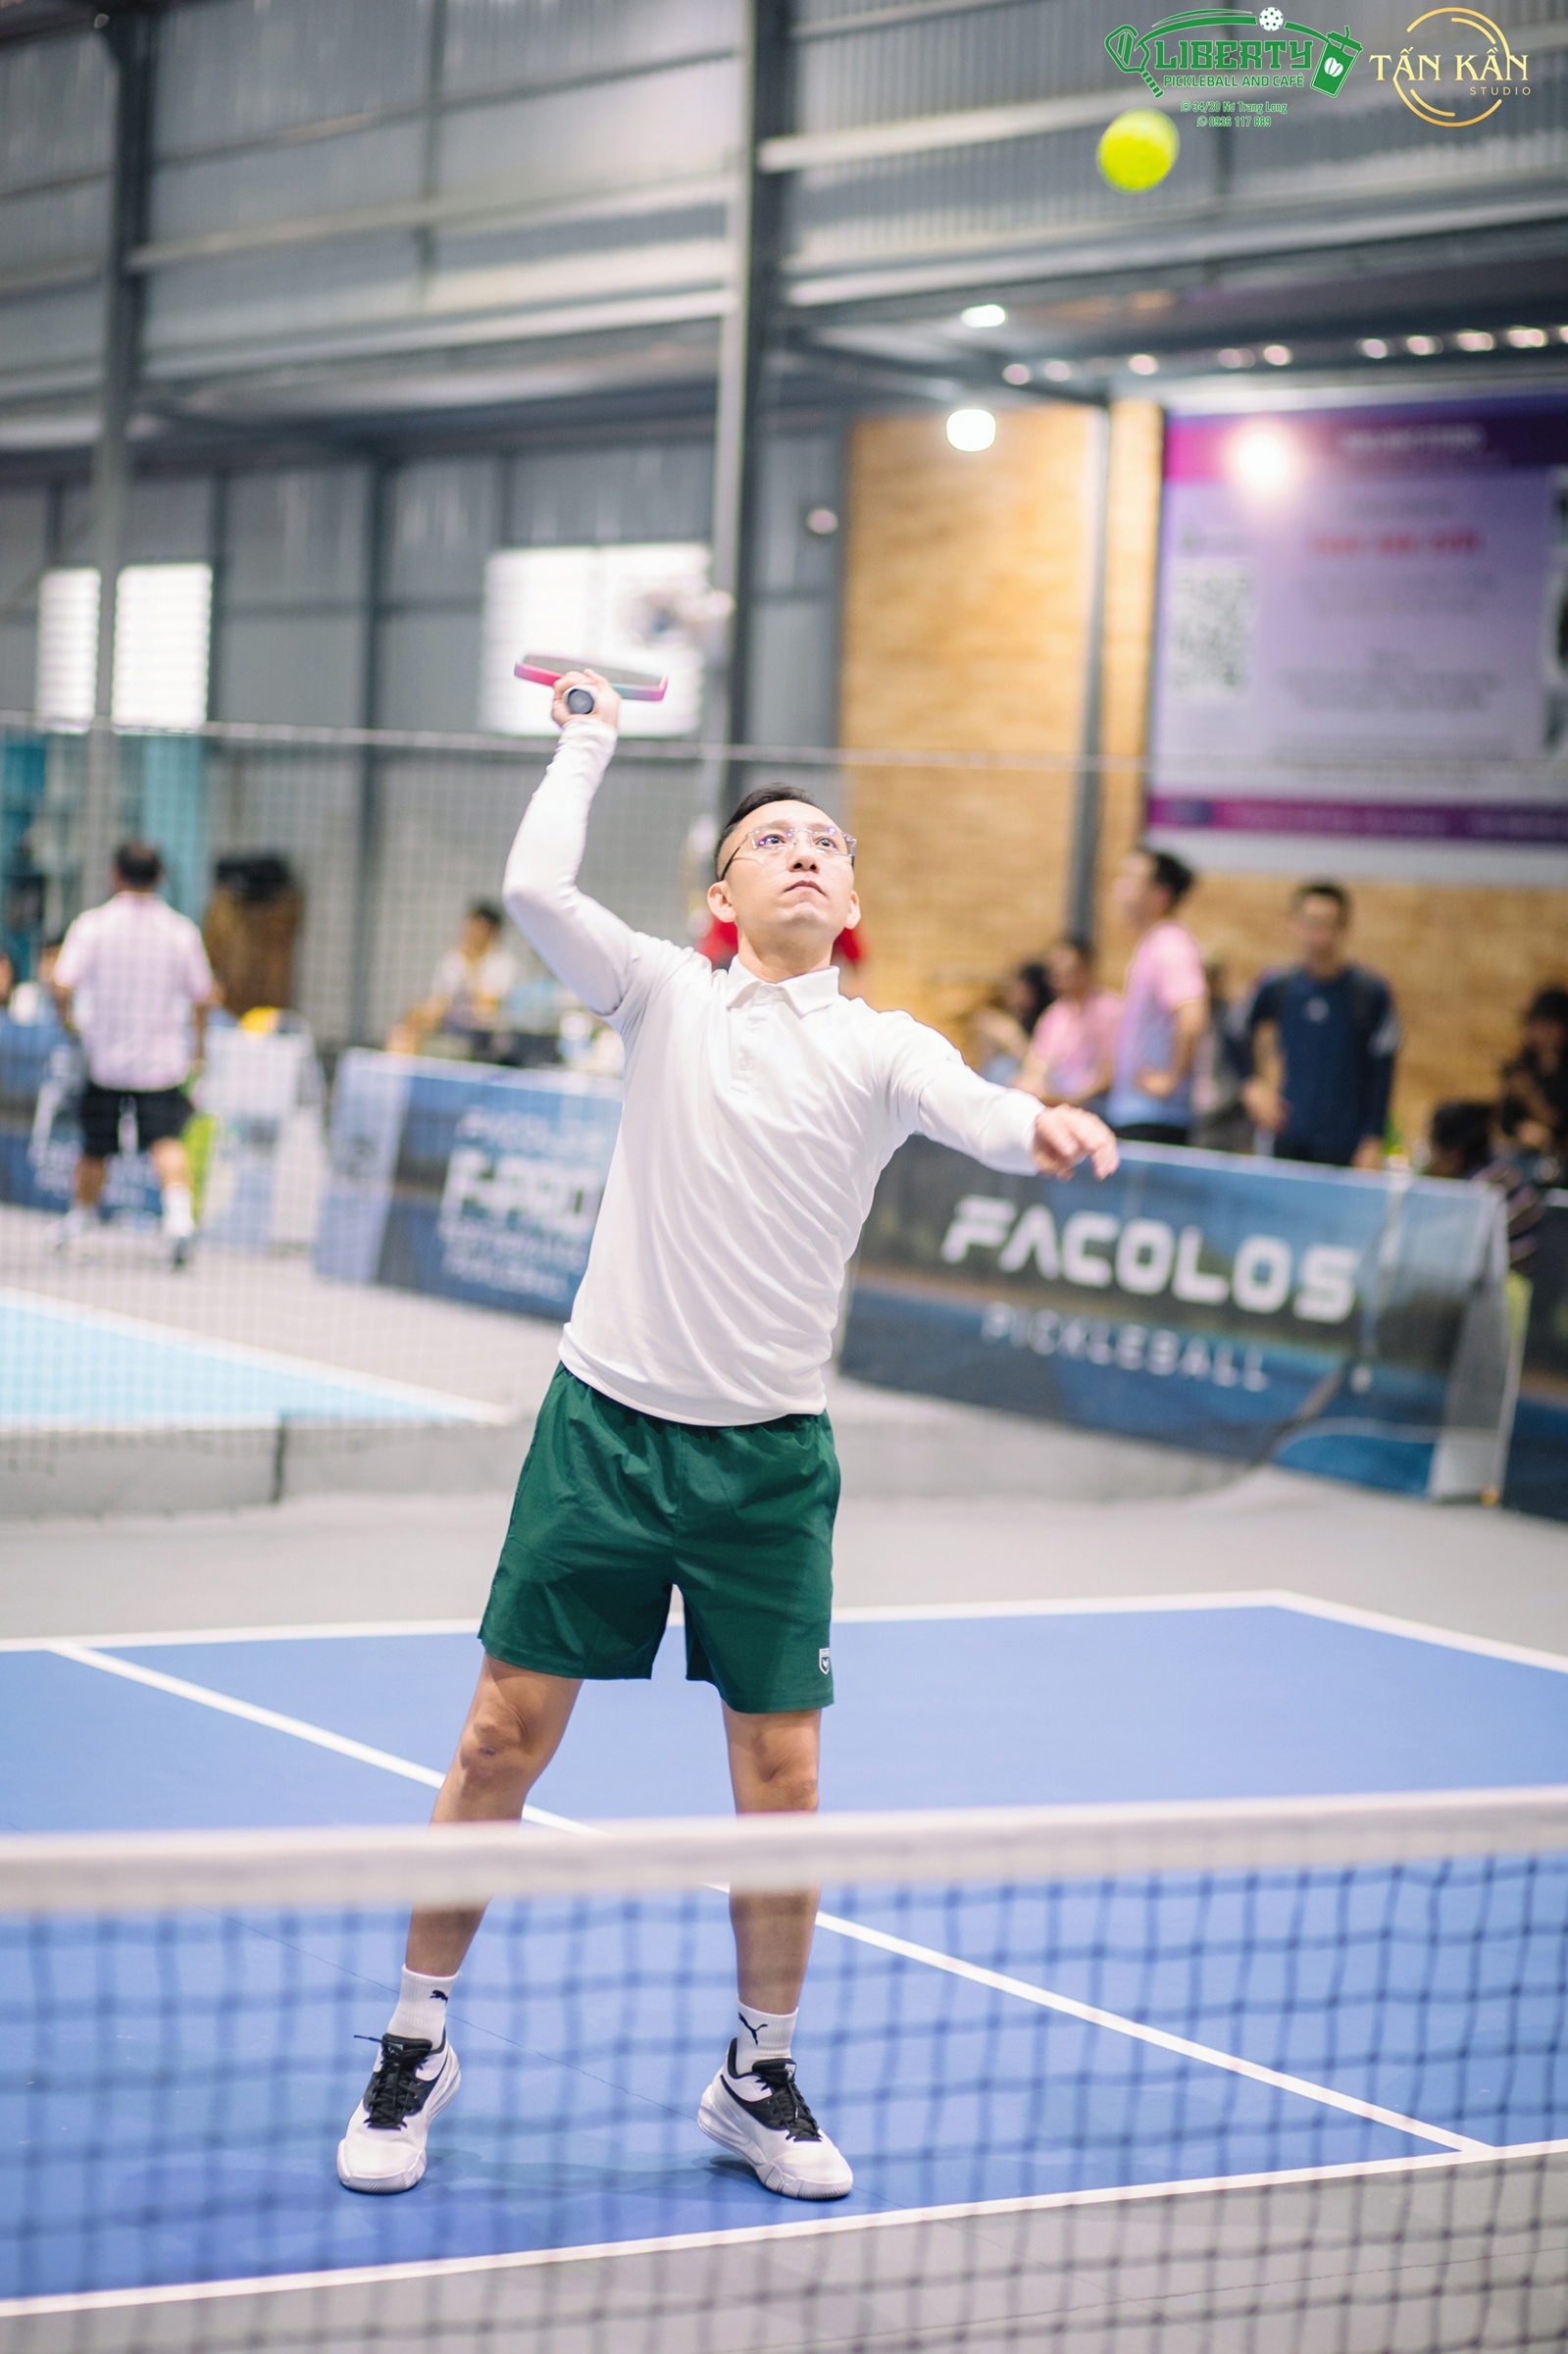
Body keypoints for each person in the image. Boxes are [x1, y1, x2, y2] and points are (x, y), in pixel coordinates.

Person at [336, 672, 1118, 2206]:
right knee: (497, 1741)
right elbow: (533, 887)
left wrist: (1032, 1126)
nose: (805, 853)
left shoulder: (878, 1048)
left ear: (849, 902)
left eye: (827, 843)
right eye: (773, 840)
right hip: (604, 1434)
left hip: (766, 1466)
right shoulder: (662, 995)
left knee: (782, 1780)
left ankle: (756, 2073)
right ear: (721, 894)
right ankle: (414, 2039)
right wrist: (588, 739)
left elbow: (967, 1102)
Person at [49, 843, 215, 1268]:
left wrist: (69, 1023)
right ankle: (179, 1222)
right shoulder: (180, 931)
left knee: (95, 1146)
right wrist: (199, 1048)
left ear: (115, 874)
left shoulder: (93, 926)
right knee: (167, 1141)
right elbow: (203, 995)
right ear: (160, 877)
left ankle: (80, 1223)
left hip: (104, 1060)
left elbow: (62, 984)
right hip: (161, 1064)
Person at [1231, 881, 1397, 1171]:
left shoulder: (1369, 993)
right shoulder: (1278, 986)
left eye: (1327, 924)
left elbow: (1383, 1070)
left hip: (1346, 1144)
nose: (1318, 935)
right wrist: (1251, 1084)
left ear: (1343, 928)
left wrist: (1373, 1138)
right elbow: (1234, 1032)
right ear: (1295, 924)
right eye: (1310, 923)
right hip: (1289, 1135)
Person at [1104, 844, 1207, 1146]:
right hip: (1136, 1113)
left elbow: (1192, 1017)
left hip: (1155, 1117)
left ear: (1160, 895)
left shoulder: (1170, 944)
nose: (1119, 887)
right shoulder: (1152, 944)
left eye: (1130, 879)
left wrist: (1170, 1080)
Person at [385, 900, 520, 1057]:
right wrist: (418, 1016)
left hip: (485, 1039)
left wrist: (472, 968)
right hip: (451, 1029)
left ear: (492, 933)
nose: (473, 933)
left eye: (480, 928)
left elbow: (487, 1008)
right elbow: (440, 1001)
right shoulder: (453, 960)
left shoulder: (503, 964)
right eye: (471, 926)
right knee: (407, 1027)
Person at [1425, 1100, 1543, 1272]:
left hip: (1514, 1277)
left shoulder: (1478, 1192)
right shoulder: (1500, 1170)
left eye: (1431, 1146)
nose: (1428, 1158)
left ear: (1454, 1154)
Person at [1012, 940, 1119, 1110]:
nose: (1059, 978)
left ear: (1086, 970)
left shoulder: (1108, 1009)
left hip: (1096, 1102)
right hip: (1058, 1098)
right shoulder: (1054, 1015)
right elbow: (1037, 1063)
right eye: (1056, 971)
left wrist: (1070, 1099)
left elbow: (1109, 1073)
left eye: (1067, 971)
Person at [1499, 987, 1568, 1162]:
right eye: (1533, 1024)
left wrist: (1529, 1095)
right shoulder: (1524, 1067)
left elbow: (1560, 1123)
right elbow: (1506, 1121)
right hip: (1523, 1156)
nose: (1537, 1032)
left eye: (1545, 1025)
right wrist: (1520, 1129)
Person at [972, 960, 1052, 1085]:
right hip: (1008, 1082)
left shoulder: (1049, 1020)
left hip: (1036, 1083)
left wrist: (1011, 1037)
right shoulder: (1012, 1018)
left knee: (1002, 1066)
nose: (1011, 993)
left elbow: (1038, 1063)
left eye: (1019, 988)